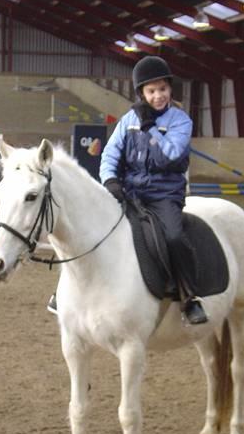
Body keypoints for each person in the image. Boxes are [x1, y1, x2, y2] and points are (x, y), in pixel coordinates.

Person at [48, 55, 206, 325]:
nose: (158, 96)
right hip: (130, 190)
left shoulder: (181, 122)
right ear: (142, 94)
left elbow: (169, 154)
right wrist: (110, 180)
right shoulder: (128, 120)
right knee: (86, 228)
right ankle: (65, 292)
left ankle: (189, 295)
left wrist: (151, 128)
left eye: (163, 89)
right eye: (152, 91)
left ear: (170, 89)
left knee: (174, 237)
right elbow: (110, 154)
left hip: (164, 195)